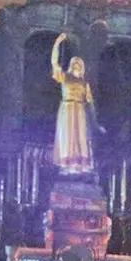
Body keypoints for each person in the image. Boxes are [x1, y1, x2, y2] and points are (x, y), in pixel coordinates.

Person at [51, 33, 96, 177]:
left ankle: (81, 164)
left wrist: (95, 121)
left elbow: (90, 102)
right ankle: (67, 164)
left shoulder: (84, 83)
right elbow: (54, 63)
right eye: (74, 62)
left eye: (79, 63)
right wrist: (57, 43)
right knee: (67, 136)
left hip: (80, 110)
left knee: (80, 136)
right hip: (67, 108)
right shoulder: (65, 77)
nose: (76, 64)